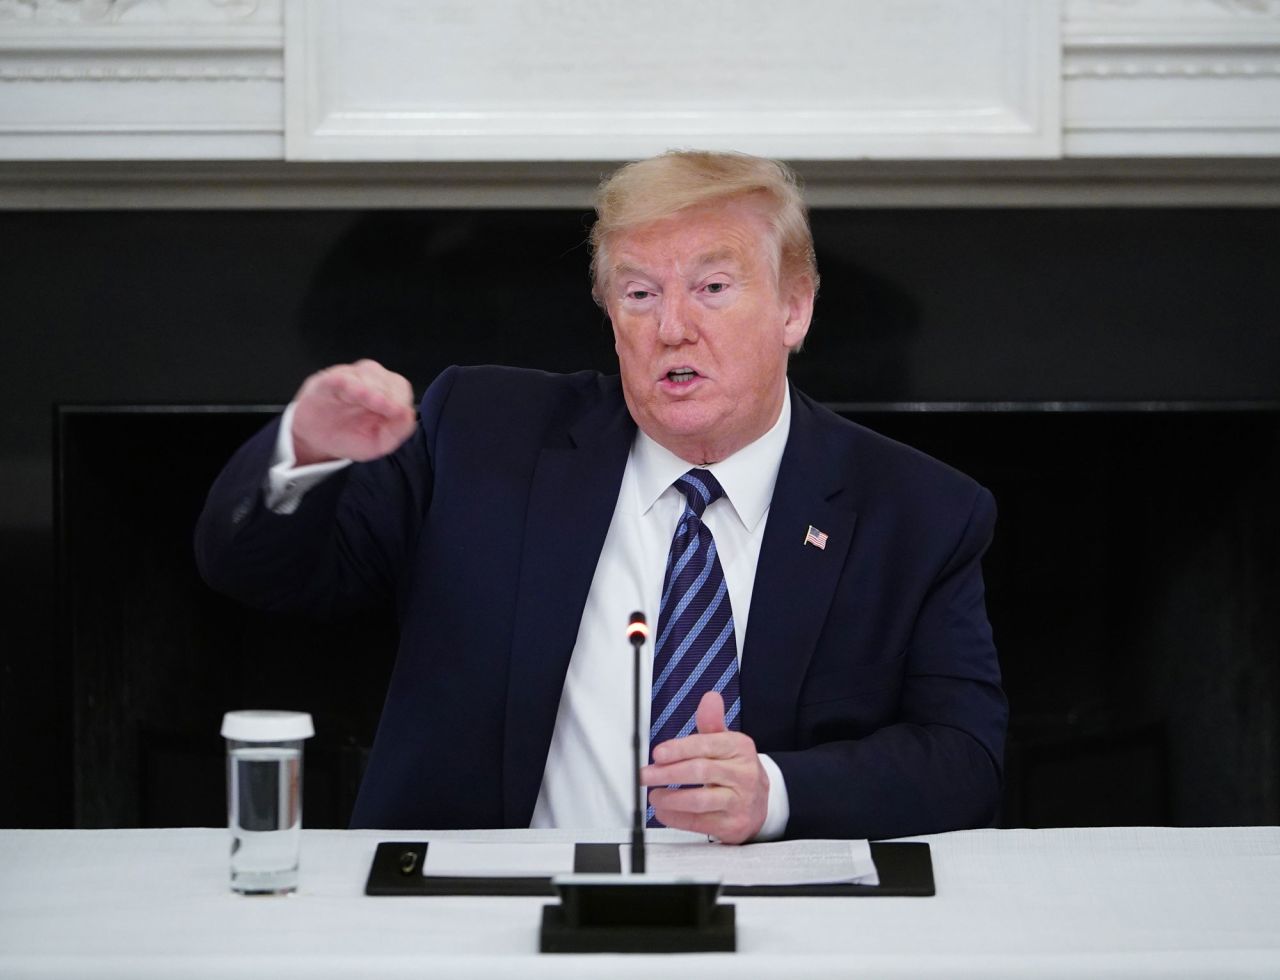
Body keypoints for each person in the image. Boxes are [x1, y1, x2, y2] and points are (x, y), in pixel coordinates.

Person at [196, 150, 1006, 843]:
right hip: (482, 920)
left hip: (771, 921)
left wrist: (777, 793)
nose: (673, 328)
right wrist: (304, 449)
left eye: (713, 287)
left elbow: (965, 760)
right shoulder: (479, 432)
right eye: (640, 293)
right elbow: (260, 574)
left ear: (794, 307)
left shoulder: (919, 511)